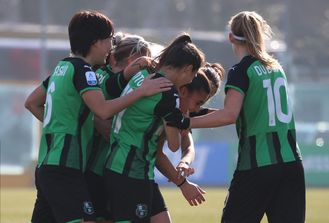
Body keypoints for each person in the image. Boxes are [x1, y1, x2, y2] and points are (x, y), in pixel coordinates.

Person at [25, 10, 172, 223]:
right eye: (109, 40)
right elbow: (102, 110)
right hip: (66, 166)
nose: (111, 47)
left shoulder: (62, 66)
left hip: (47, 163)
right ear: (95, 42)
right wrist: (140, 91)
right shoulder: (84, 71)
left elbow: (31, 102)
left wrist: (67, 125)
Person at [189, 11, 305, 223]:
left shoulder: (241, 70)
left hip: (256, 165)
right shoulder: (276, 67)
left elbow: (229, 115)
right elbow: (246, 112)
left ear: (231, 37)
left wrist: (185, 122)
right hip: (291, 163)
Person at [104, 33, 205, 222]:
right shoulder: (167, 92)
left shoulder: (145, 74)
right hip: (130, 170)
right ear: (188, 69)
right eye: (193, 75)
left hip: (122, 165)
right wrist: (181, 119)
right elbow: (174, 144)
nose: (191, 81)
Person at [85, 32, 153, 223]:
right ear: (115, 59)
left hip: (113, 169)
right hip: (93, 168)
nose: (138, 72)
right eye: (135, 63)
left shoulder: (128, 86)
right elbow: (111, 88)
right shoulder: (101, 76)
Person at [153, 62, 225, 223]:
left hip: (141, 172)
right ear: (184, 89)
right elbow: (161, 152)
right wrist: (183, 183)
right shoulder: (169, 105)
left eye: (204, 102)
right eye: (199, 102)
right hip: (128, 170)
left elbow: (188, 145)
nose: (198, 109)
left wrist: (184, 162)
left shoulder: (187, 110)